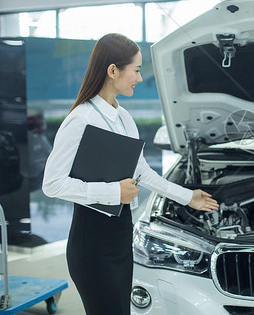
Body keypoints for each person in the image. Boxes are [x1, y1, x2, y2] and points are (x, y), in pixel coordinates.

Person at [42, 33, 219, 315]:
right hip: (92, 245)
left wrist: (188, 197)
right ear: (113, 70)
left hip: (121, 237)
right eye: (136, 70)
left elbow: (142, 172)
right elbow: (51, 184)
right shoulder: (80, 119)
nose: (139, 77)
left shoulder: (123, 117)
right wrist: (113, 192)